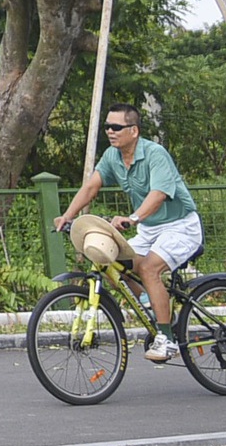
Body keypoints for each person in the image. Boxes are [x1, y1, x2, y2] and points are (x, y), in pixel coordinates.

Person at [53, 103, 204, 363]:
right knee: (110, 260)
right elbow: (91, 187)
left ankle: (167, 339)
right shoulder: (113, 157)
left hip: (180, 226)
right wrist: (67, 216)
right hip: (150, 229)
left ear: (133, 131)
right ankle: (152, 302)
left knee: (148, 268)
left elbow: (158, 195)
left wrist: (133, 218)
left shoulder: (155, 154)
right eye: (107, 127)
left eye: (116, 127)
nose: (110, 132)